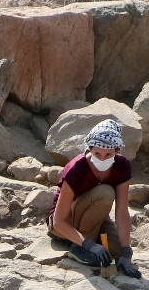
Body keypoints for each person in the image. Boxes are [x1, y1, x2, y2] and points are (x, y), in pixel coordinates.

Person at [47, 118, 142, 278]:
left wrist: (127, 252)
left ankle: (89, 244)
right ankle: (79, 248)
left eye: (108, 154)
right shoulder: (77, 168)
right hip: (63, 224)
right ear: (89, 148)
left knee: (116, 252)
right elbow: (58, 221)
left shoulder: (122, 166)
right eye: (97, 153)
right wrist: (89, 245)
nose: (102, 158)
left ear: (116, 152)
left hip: (95, 218)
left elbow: (122, 212)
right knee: (105, 193)